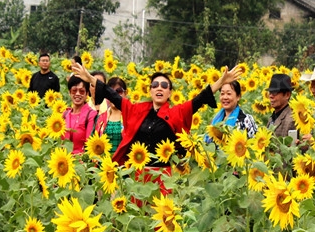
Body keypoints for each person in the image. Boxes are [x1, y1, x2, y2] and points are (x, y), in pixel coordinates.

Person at [72, 60, 244, 167]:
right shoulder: (137, 110)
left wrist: (221, 81)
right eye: (155, 85)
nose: (159, 88)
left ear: (170, 92)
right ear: (150, 91)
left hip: (165, 176)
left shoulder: (177, 112)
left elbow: (199, 99)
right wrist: (89, 77)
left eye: (164, 85)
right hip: (137, 175)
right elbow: (113, 95)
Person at [63, 74, 102, 154]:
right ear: (69, 92)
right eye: (74, 90)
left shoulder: (91, 115)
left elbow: (89, 144)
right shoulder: (65, 114)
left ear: (87, 93)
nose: (77, 94)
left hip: (81, 162)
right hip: (63, 160)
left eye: (81, 91)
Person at [94, 75, 126, 156]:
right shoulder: (100, 118)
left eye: (119, 91)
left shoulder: (130, 117)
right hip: (102, 165)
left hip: (123, 165)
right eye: (111, 91)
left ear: (125, 93)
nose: (114, 95)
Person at [266, 73, 296, 138]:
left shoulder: (291, 120)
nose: (271, 96)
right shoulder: (272, 117)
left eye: (275, 92)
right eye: (270, 92)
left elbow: (292, 147)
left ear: (287, 95)